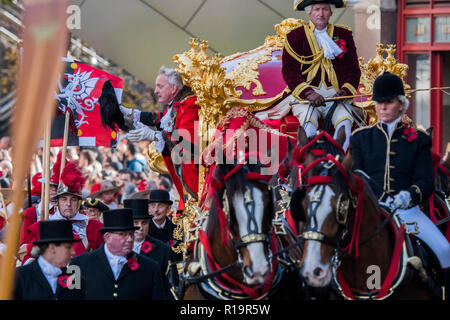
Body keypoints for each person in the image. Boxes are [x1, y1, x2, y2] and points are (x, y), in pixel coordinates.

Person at [350, 72, 450, 289]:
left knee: (445, 251)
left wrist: (409, 195)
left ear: (401, 105)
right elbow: (357, 176)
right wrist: (378, 198)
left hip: (408, 212)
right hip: (371, 211)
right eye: (379, 102)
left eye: (388, 102)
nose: (383, 107)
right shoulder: (360, 138)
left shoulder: (418, 139)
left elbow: (426, 181)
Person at [268, 0, 360, 151]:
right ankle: (306, 167)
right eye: (317, 9)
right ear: (309, 12)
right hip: (305, 99)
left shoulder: (344, 34)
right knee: (308, 127)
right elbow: (289, 72)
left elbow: (354, 70)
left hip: (336, 98)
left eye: (325, 9)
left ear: (331, 12)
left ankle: (337, 163)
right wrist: (309, 94)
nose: (321, 13)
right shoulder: (294, 37)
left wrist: (345, 92)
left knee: (345, 125)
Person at [120, 66, 200, 206]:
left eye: (160, 86)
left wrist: (155, 136)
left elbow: (187, 143)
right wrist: (131, 114)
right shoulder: (178, 104)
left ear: (174, 88)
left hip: (194, 178)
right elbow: (160, 119)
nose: (156, 91)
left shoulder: (189, 105)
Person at [70, 208, 165, 300]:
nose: (130, 239)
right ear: (107, 236)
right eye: (122, 234)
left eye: (131, 234)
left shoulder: (150, 267)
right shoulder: (78, 264)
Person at [22, 161, 104, 265]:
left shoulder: (92, 226)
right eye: (64, 199)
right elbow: (28, 257)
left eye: (73, 199)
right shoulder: (41, 227)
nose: (68, 204)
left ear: (79, 202)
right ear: (57, 201)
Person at [14, 220, 84, 300]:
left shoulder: (75, 278)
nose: (73, 252)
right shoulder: (19, 277)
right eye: (68, 247)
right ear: (52, 248)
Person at [124, 198, 179, 299]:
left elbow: (172, 286)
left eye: (144, 223)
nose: (140, 227)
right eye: (136, 223)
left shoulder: (163, 250)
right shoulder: (117, 249)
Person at [147, 189, 182, 262]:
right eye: (153, 206)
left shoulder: (176, 230)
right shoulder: (144, 230)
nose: (156, 210)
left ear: (168, 208)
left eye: (160, 206)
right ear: (149, 208)